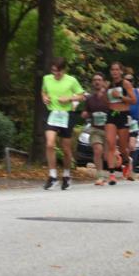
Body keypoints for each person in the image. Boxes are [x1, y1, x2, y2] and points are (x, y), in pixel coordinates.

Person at [41, 57, 85, 191]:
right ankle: (52, 176)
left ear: (64, 70)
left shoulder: (71, 80)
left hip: (67, 115)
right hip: (52, 113)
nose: (56, 74)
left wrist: (69, 98)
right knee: (50, 144)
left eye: (58, 72)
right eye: (53, 71)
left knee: (66, 148)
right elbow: (43, 91)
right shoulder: (47, 79)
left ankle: (66, 175)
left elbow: (81, 96)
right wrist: (45, 97)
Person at [105, 62, 138, 183]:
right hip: (111, 115)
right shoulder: (108, 85)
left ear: (121, 71)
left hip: (123, 115)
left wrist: (120, 96)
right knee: (110, 144)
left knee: (123, 148)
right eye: (112, 69)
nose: (114, 72)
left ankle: (127, 162)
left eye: (117, 69)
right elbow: (106, 101)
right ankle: (111, 174)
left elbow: (134, 100)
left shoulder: (126, 84)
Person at [81, 72, 111, 186]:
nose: (97, 82)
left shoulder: (108, 97)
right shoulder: (90, 98)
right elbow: (86, 112)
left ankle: (108, 174)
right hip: (95, 129)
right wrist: (85, 114)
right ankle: (99, 176)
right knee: (98, 150)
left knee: (107, 155)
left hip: (108, 129)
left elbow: (115, 110)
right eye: (95, 80)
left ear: (103, 82)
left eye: (99, 80)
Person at [125, 73, 139, 156]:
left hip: (134, 121)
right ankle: (126, 160)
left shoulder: (137, 92)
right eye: (126, 80)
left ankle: (131, 160)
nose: (128, 82)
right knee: (124, 144)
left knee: (132, 144)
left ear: (132, 82)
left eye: (130, 80)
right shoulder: (122, 92)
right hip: (123, 120)